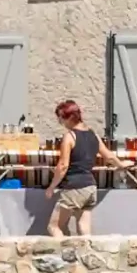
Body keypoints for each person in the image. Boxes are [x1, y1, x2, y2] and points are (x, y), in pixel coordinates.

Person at [45, 99, 115, 237]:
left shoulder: (70, 137)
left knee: (54, 226)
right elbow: (110, 157)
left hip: (74, 187)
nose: (60, 122)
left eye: (61, 118)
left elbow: (63, 165)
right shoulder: (93, 135)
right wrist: (122, 165)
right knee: (84, 228)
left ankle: (64, 255)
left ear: (70, 117)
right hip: (90, 188)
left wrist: (52, 187)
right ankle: (87, 255)